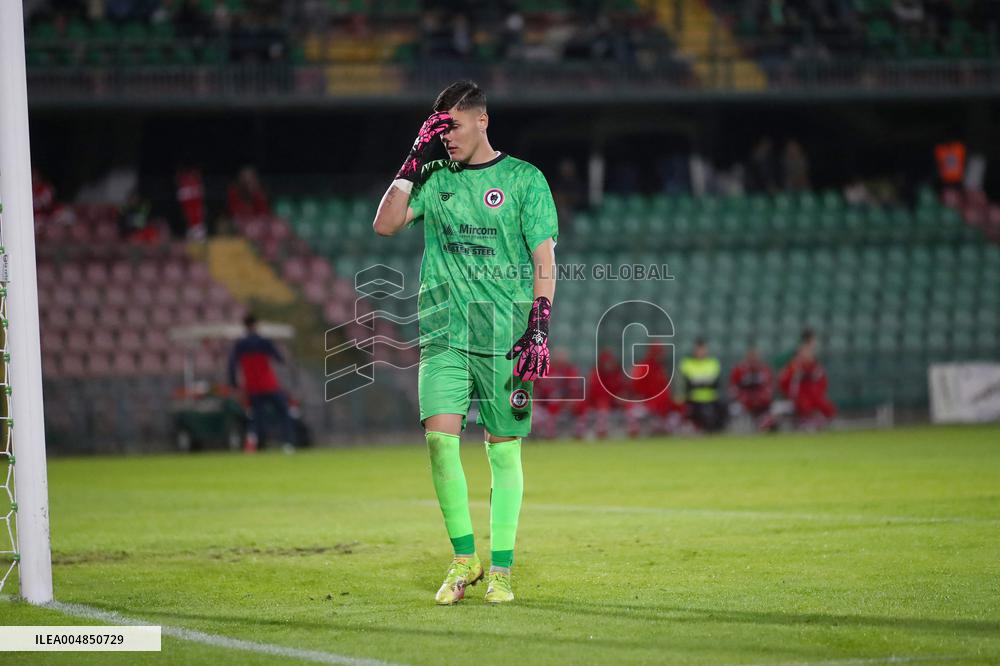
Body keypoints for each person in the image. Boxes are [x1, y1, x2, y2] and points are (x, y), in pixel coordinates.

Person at [371, 81, 558, 605]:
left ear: (482, 120)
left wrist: (539, 325)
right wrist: (414, 156)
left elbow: (544, 258)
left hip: (505, 336)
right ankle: (463, 558)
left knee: (503, 451)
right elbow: (385, 225)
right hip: (444, 334)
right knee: (439, 441)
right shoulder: (433, 177)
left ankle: (501, 569)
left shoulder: (524, 179)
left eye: (452, 126)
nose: (445, 137)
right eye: (438, 130)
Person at [228, 314, 295, 453]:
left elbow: (232, 366)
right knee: (283, 412)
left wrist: (234, 384)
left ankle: (258, 445)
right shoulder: (264, 341)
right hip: (269, 385)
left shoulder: (240, 344)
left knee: (257, 417)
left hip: (253, 387)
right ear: (256, 325)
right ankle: (287, 443)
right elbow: (279, 358)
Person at [780, 331, 836, 428]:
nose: (808, 354)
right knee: (805, 405)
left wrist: (819, 392)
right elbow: (785, 382)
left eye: (809, 352)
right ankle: (806, 422)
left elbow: (822, 382)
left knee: (826, 406)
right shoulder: (794, 365)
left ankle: (821, 422)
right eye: (805, 352)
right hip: (800, 395)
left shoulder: (816, 366)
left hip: (813, 394)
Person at [625, 345, 684, 437]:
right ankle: (638, 429)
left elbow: (664, 391)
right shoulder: (644, 366)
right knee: (632, 409)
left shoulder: (659, 367)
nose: (661, 356)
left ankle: (665, 427)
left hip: (661, 405)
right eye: (659, 353)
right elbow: (636, 387)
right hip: (646, 403)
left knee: (679, 408)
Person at [574, 348, 627, 439]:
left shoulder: (617, 374)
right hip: (595, 403)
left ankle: (630, 429)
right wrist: (613, 398)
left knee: (629, 404)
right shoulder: (596, 374)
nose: (609, 365)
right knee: (601, 403)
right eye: (607, 362)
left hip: (614, 404)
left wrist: (621, 397)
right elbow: (596, 393)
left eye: (611, 362)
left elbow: (623, 389)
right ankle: (596, 429)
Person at [531, 348, 581, 439]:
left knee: (556, 398)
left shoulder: (570, 371)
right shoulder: (543, 368)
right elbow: (536, 390)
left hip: (563, 404)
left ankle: (576, 432)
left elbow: (574, 392)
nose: (560, 359)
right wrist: (535, 402)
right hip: (543, 405)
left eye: (562, 357)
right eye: (558, 357)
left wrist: (568, 402)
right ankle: (539, 433)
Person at [679, 338, 726, 432]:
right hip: (693, 399)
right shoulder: (687, 363)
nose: (701, 352)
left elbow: (715, 383)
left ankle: (719, 430)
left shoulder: (713, 363)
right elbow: (688, 384)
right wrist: (705, 381)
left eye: (703, 349)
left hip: (711, 398)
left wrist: (697, 381)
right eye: (698, 349)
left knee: (724, 407)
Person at [729, 346, 776, 431]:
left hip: (761, 402)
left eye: (755, 356)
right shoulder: (739, 370)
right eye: (751, 356)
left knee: (769, 409)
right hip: (745, 401)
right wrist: (743, 397)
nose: (753, 359)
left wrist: (761, 397)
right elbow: (733, 387)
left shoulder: (764, 369)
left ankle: (765, 423)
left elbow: (769, 387)